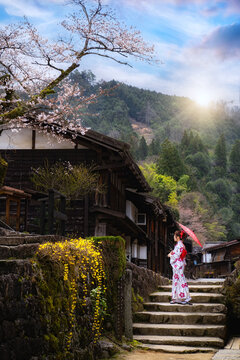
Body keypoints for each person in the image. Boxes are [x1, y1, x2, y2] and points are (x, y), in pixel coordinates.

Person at [168, 230, 192, 305]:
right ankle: (178, 298)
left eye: (174, 236)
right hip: (179, 264)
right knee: (177, 280)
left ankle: (185, 297)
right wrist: (172, 253)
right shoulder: (180, 245)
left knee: (180, 280)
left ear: (178, 237)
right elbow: (178, 254)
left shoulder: (179, 245)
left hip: (178, 265)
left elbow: (176, 256)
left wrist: (170, 255)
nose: (173, 237)